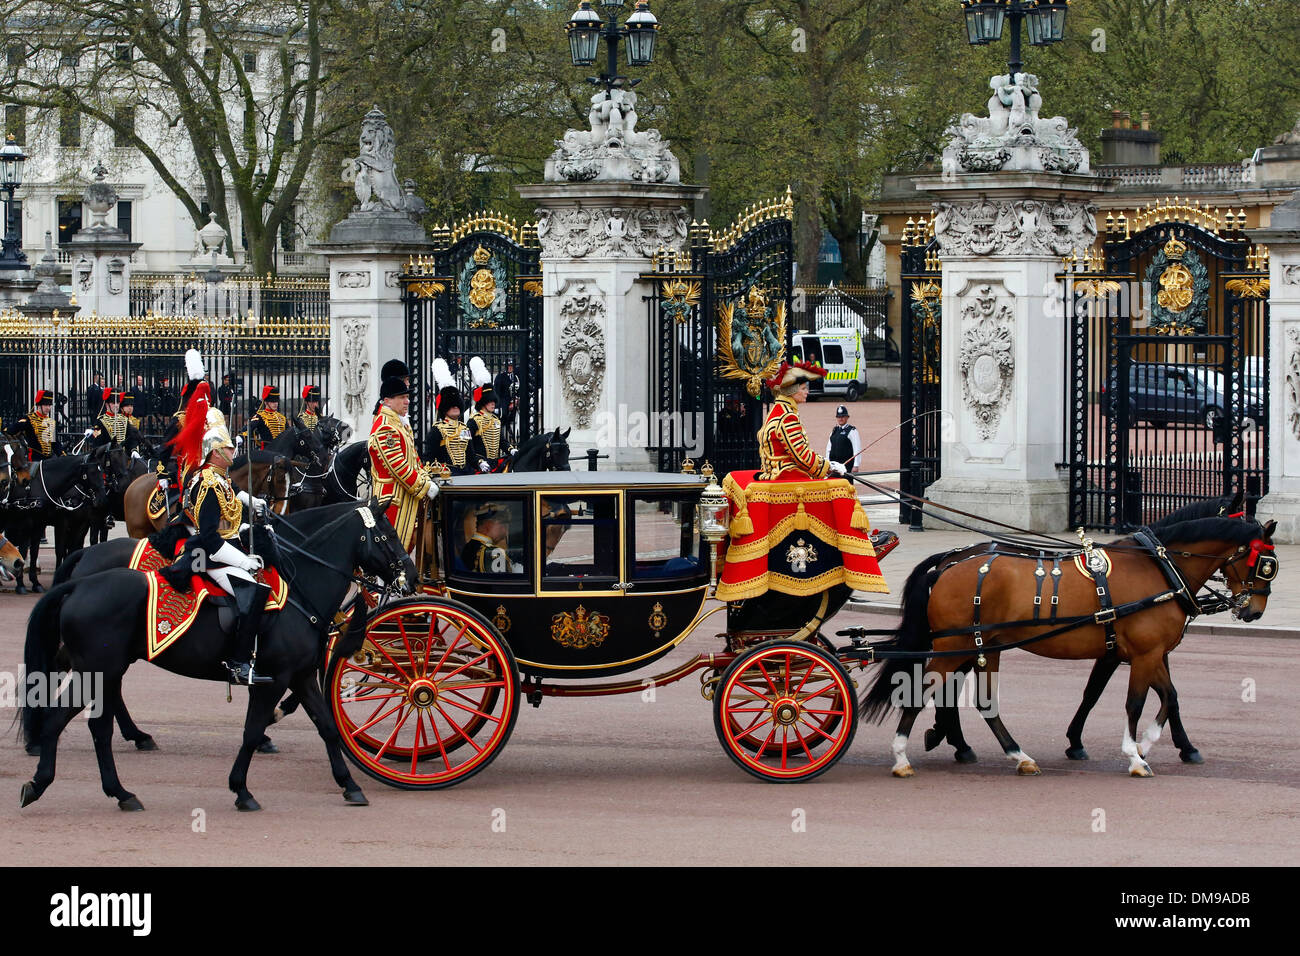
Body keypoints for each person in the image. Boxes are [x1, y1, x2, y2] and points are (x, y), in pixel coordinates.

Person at [715, 361, 887, 601]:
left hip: (779, 474)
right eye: (804, 387)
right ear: (791, 391)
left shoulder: (779, 412)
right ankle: (851, 554)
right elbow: (803, 457)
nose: (807, 391)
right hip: (788, 479)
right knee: (842, 488)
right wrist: (829, 468)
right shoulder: (788, 418)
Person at [165, 374, 272, 684]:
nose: (233, 453)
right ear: (214, 452)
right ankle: (239, 663)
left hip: (222, 548)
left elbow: (231, 518)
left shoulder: (221, 480)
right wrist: (242, 561)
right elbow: (211, 537)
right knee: (252, 593)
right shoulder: (210, 484)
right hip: (210, 556)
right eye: (227, 449)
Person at [369, 376, 438, 552]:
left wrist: (425, 476)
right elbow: (398, 467)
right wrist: (424, 486)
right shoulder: (385, 426)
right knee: (391, 552)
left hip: (406, 497)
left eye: (406, 397)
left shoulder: (399, 423)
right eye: (401, 398)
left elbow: (413, 459)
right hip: (392, 501)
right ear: (387, 401)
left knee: (405, 549)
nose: (407, 402)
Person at [461, 503, 522, 573]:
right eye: (503, 525)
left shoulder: (467, 548)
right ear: (489, 525)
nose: (505, 531)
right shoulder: (494, 553)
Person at [9, 390, 62, 461]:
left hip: (48, 460)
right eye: (46, 405)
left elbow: (54, 443)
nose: (48, 408)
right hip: (34, 460)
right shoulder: (29, 419)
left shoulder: (50, 422)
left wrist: (62, 455)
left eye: (49, 405)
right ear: (39, 405)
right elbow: (11, 430)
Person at [91, 389, 146, 456]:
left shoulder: (124, 420)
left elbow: (131, 438)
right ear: (107, 404)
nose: (116, 405)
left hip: (124, 457)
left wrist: (133, 450)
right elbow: (97, 444)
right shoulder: (100, 422)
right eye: (113, 403)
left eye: (118, 403)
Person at [467, 387, 505, 473]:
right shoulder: (473, 421)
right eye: (490, 401)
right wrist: (478, 461)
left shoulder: (496, 420)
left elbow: (501, 441)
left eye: (494, 401)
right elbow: (467, 444)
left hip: (495, 463)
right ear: (483, 403)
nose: (493, 404)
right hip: (480, 464)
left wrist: (511, 450)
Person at [826, 404, 861, 470]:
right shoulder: (834, 431)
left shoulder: (852, 431)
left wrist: (856, 465)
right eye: (839, 417)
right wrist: (828, 463)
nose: (840, 418)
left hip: (846, 466)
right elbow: (828, 449)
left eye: (843, 416)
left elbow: (857, 448)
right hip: (834, 466)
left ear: (847, 417)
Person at [493, 360, 519, 440]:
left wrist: (516, 399)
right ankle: (507, 430)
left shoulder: (516, 377)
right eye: (508, 366)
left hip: (515, 400)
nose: (510, 367)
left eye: (511, 366)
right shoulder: (500, 376)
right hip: (503, 400)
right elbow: (497, 391)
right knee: (504, 414)